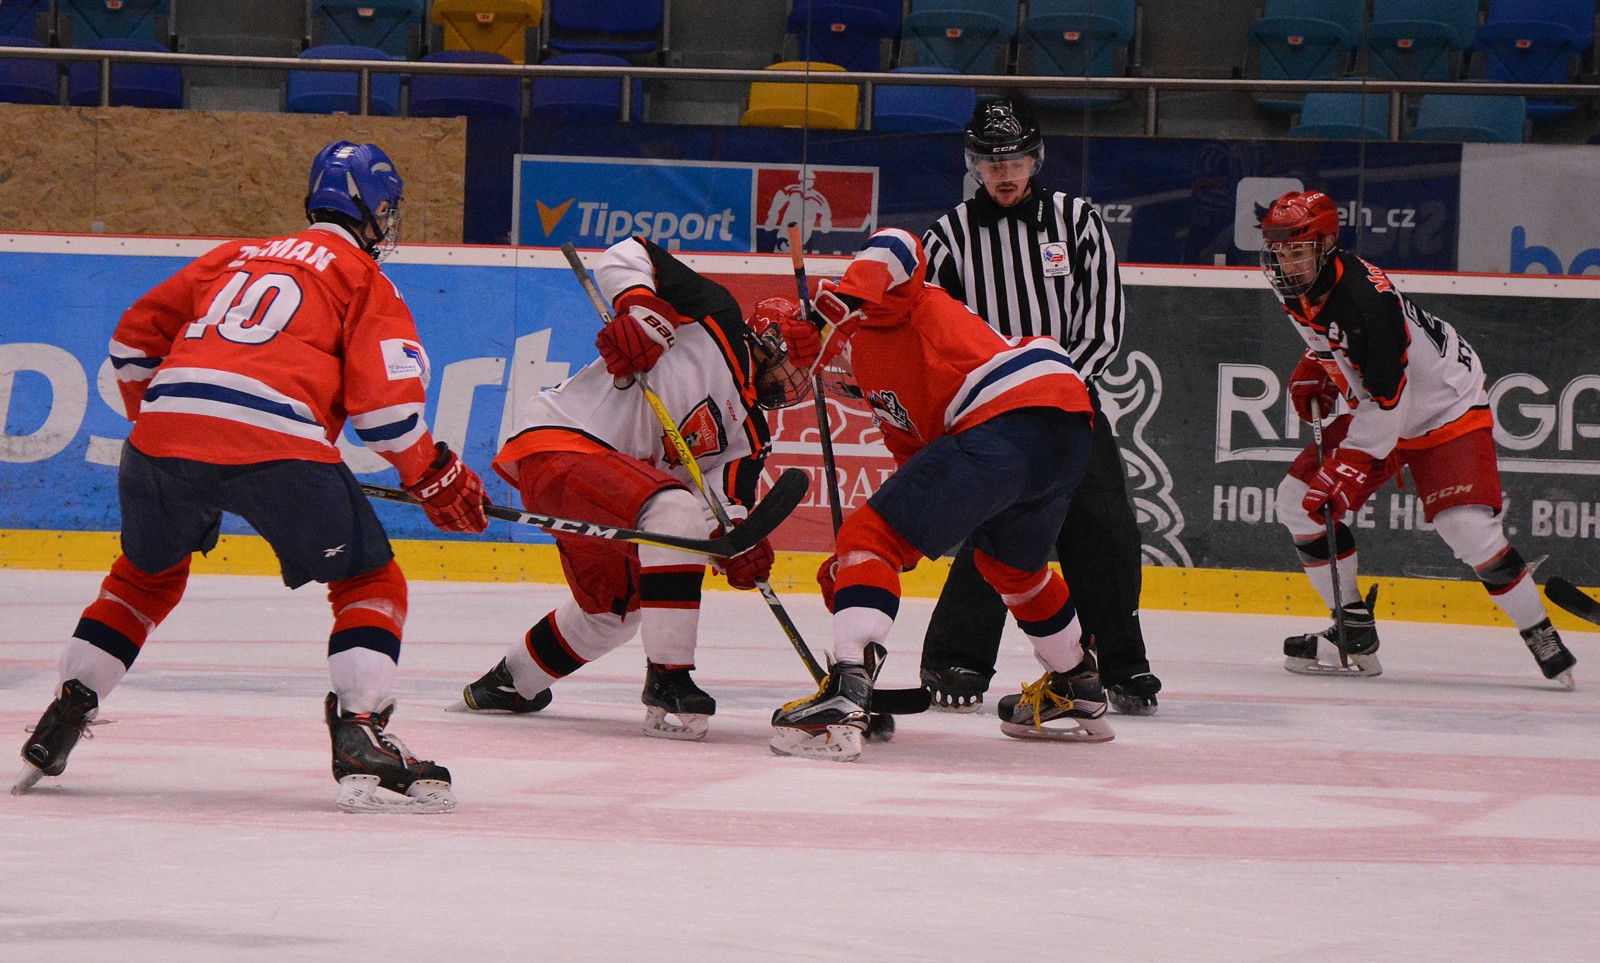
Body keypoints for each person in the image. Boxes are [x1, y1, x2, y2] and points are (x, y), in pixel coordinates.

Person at [14, 141, 489, 812]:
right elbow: (385, 416)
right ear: (370, 209)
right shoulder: (365, 280)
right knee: (369, 581)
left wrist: (178, 430)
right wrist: (433, 476)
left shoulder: (235, 255)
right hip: (278, 447)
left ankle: (69, 706)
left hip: (158, 443)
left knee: (144, 578)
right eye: (387, 210)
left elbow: (130, 344)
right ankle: (360, 729)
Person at [772, 227, 1114, 762]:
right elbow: (925, 483)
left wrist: (828, 313)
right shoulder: (880, 390)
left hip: (1008, 409)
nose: (820, 364)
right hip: (1061, 428)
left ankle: (846, 693)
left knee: (867, 536)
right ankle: (1078, 686)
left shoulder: (879, 309)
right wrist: (863, 572)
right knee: (1013, 570)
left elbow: (895, 244)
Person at [456, 235, 811, 741]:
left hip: (617, 498)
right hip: (563, 447)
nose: (799, 378)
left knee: (613, 613)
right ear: (769, 341)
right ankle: (669, 678)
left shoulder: (752, 438)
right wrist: (643, 311)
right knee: (671, 509)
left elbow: (719, 510)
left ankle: (508, 683)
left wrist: (737, 545)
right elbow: (629, 252)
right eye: (796, 364)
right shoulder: (717, 317)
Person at [1261, 189, 1577, 687]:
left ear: (1326, 245)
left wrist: (1351, 463)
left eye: (1296, 251)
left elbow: (1392, 401)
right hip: (1384, 404)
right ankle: (1352, 631)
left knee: (1466, 528)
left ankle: (1543, 636)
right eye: (1278, 251)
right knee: (1297, 502)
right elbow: (1334, 340)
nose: (1285, 263)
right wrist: (1317, 365)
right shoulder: (1300, 284)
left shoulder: (1365, 303)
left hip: (1444, 406)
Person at [916, 97, 1161, 716]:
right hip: (991, 413)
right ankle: (955, 656)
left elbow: (1102, 323)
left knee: (1103, 527)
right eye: (991, 163)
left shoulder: (1078, 222)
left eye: (1015, 161)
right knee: (993, 527)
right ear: (974, 166)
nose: (1004, 174)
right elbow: (932, 330)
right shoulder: (947, 237)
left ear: (1036, 160)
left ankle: (1120, 662)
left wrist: (1053, 390)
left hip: (1071, 404)